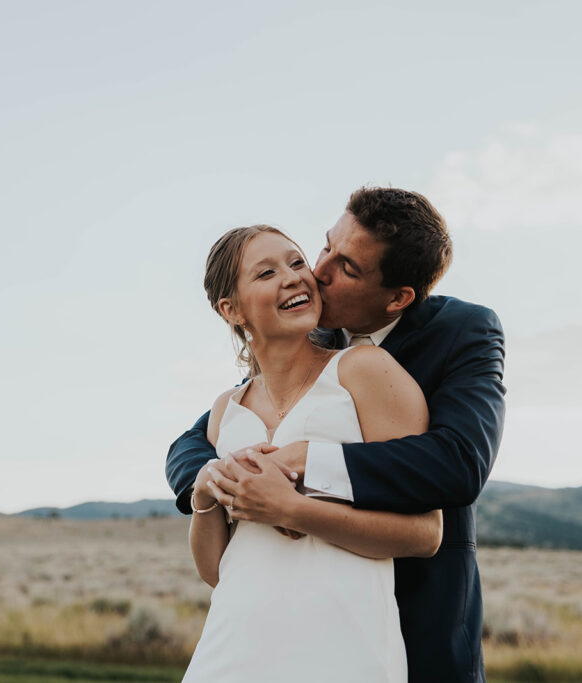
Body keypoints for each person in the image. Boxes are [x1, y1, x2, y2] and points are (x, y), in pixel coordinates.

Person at [168, 187, 507, 682]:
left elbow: (458, 463)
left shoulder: (456, 334)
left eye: (347, 267)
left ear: (398, 298)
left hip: (401, 614)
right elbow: (193, 445)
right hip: (245, 634)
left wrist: (305, 463)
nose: (317, 273)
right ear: (231, 309)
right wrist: (208, 482)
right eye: (324, 247)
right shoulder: (282, 356)